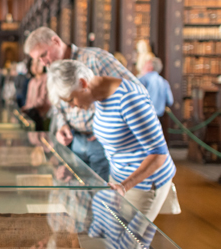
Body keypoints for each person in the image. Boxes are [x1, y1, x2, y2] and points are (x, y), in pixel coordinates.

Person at [47, 60, 176, 221]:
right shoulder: (100, 95)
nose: (73, 106)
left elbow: (159, 154)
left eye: (71, 100)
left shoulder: (128, 99)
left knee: (132, 243)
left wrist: (124, 186)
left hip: (141, 184)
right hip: (118, 180)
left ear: (82, 83)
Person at [24, 27, 143, 182]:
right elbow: (57, 105)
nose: (43, 62)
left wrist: (108, 126)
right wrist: (62, 126)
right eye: (38, 59)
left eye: (43, 54)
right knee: (77, 194)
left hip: (101, 144)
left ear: (56, 41)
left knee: (102, 195)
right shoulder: (52, 70)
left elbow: (136, 93)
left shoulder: (95, 59)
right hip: (74, 142)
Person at [21, 58, 51, 131]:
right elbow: (28, 98)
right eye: (33, 64)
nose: (35, 67)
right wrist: (27, 107)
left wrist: (28, 106)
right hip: (32, 113)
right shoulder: (32, 81)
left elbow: (42, 99)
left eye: (38, 64)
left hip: (43, 115)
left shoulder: (46, 78)